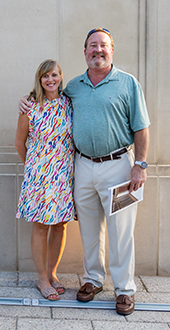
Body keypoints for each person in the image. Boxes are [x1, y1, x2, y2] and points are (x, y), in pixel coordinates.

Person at [19, 28, 150, 315]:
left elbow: (141, 128)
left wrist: (140, 166)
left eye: (103, 45)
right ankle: (93, 280)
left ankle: (125, 290)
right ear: (85, 52)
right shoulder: (74, 87)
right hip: (83, 167)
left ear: (112, 49)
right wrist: (26, 101)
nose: (98, 50)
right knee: (89, 229)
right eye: (92, 46)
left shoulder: (128, 84)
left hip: (119, 168)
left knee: (121, 231)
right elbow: (47, 99)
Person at [15, 59, 75, 301]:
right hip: (39, 176)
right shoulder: (29, 106)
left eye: (54, 75)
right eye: (45, 76)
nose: (50, 80)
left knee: (60, 224)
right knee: (40, 226)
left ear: (60, 77)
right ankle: (41, 278)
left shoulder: (69, 104)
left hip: (63, 175)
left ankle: (53, 273)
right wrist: (33, 168)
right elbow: (20, 143)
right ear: (39, 80)